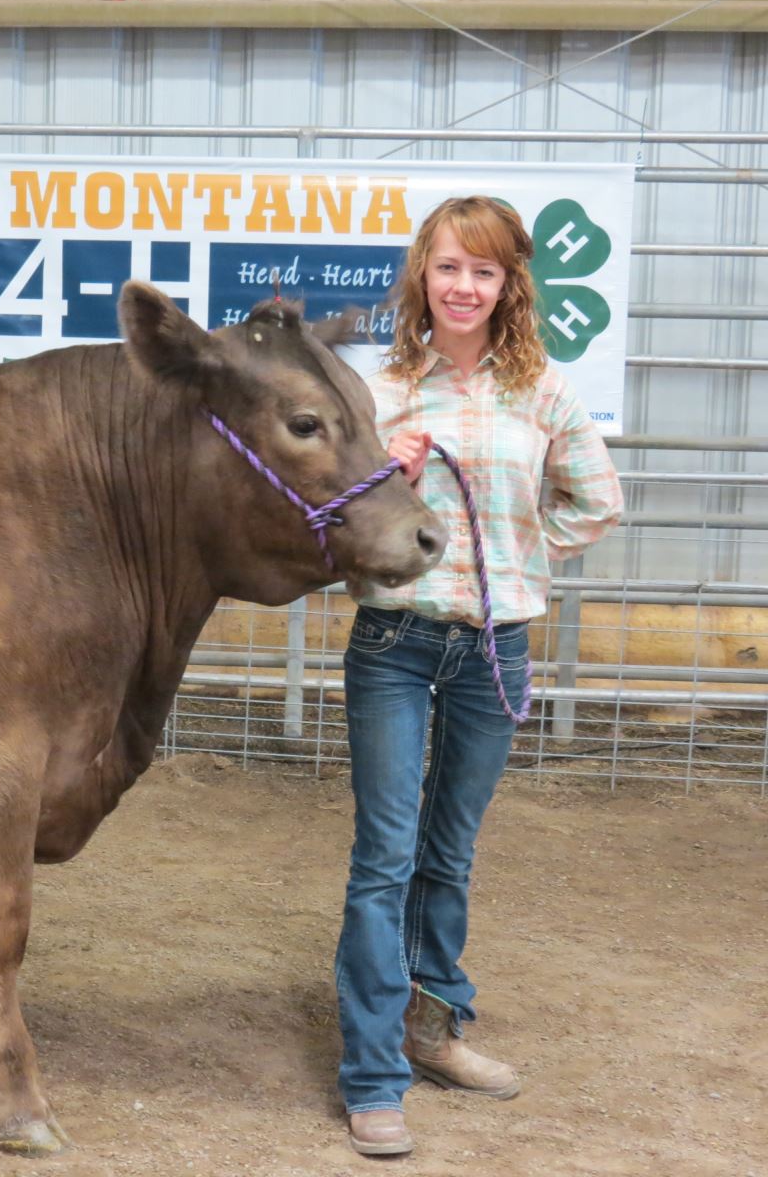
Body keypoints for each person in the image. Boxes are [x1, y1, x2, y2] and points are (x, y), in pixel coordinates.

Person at [335, 195, 623, 1156]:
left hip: (493, 646)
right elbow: (330, 520)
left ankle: (433, 1028)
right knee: (384, 856)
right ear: (425, 275)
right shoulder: (377, 392)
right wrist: (388, 473)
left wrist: (524, 554)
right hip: (394, 643)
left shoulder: (545, 390)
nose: (465, 287)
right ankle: (373, 1078)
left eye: (486, 271)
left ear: (510, 286)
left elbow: (598, 501)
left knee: (447, 854)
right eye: (450, 267)